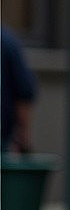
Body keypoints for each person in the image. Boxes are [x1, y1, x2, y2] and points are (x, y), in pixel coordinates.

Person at [1, 25, 37, 154]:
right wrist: (25, 141)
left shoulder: (6, 43)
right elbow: (23, 95)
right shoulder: (7, 42)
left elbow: (23, 93)